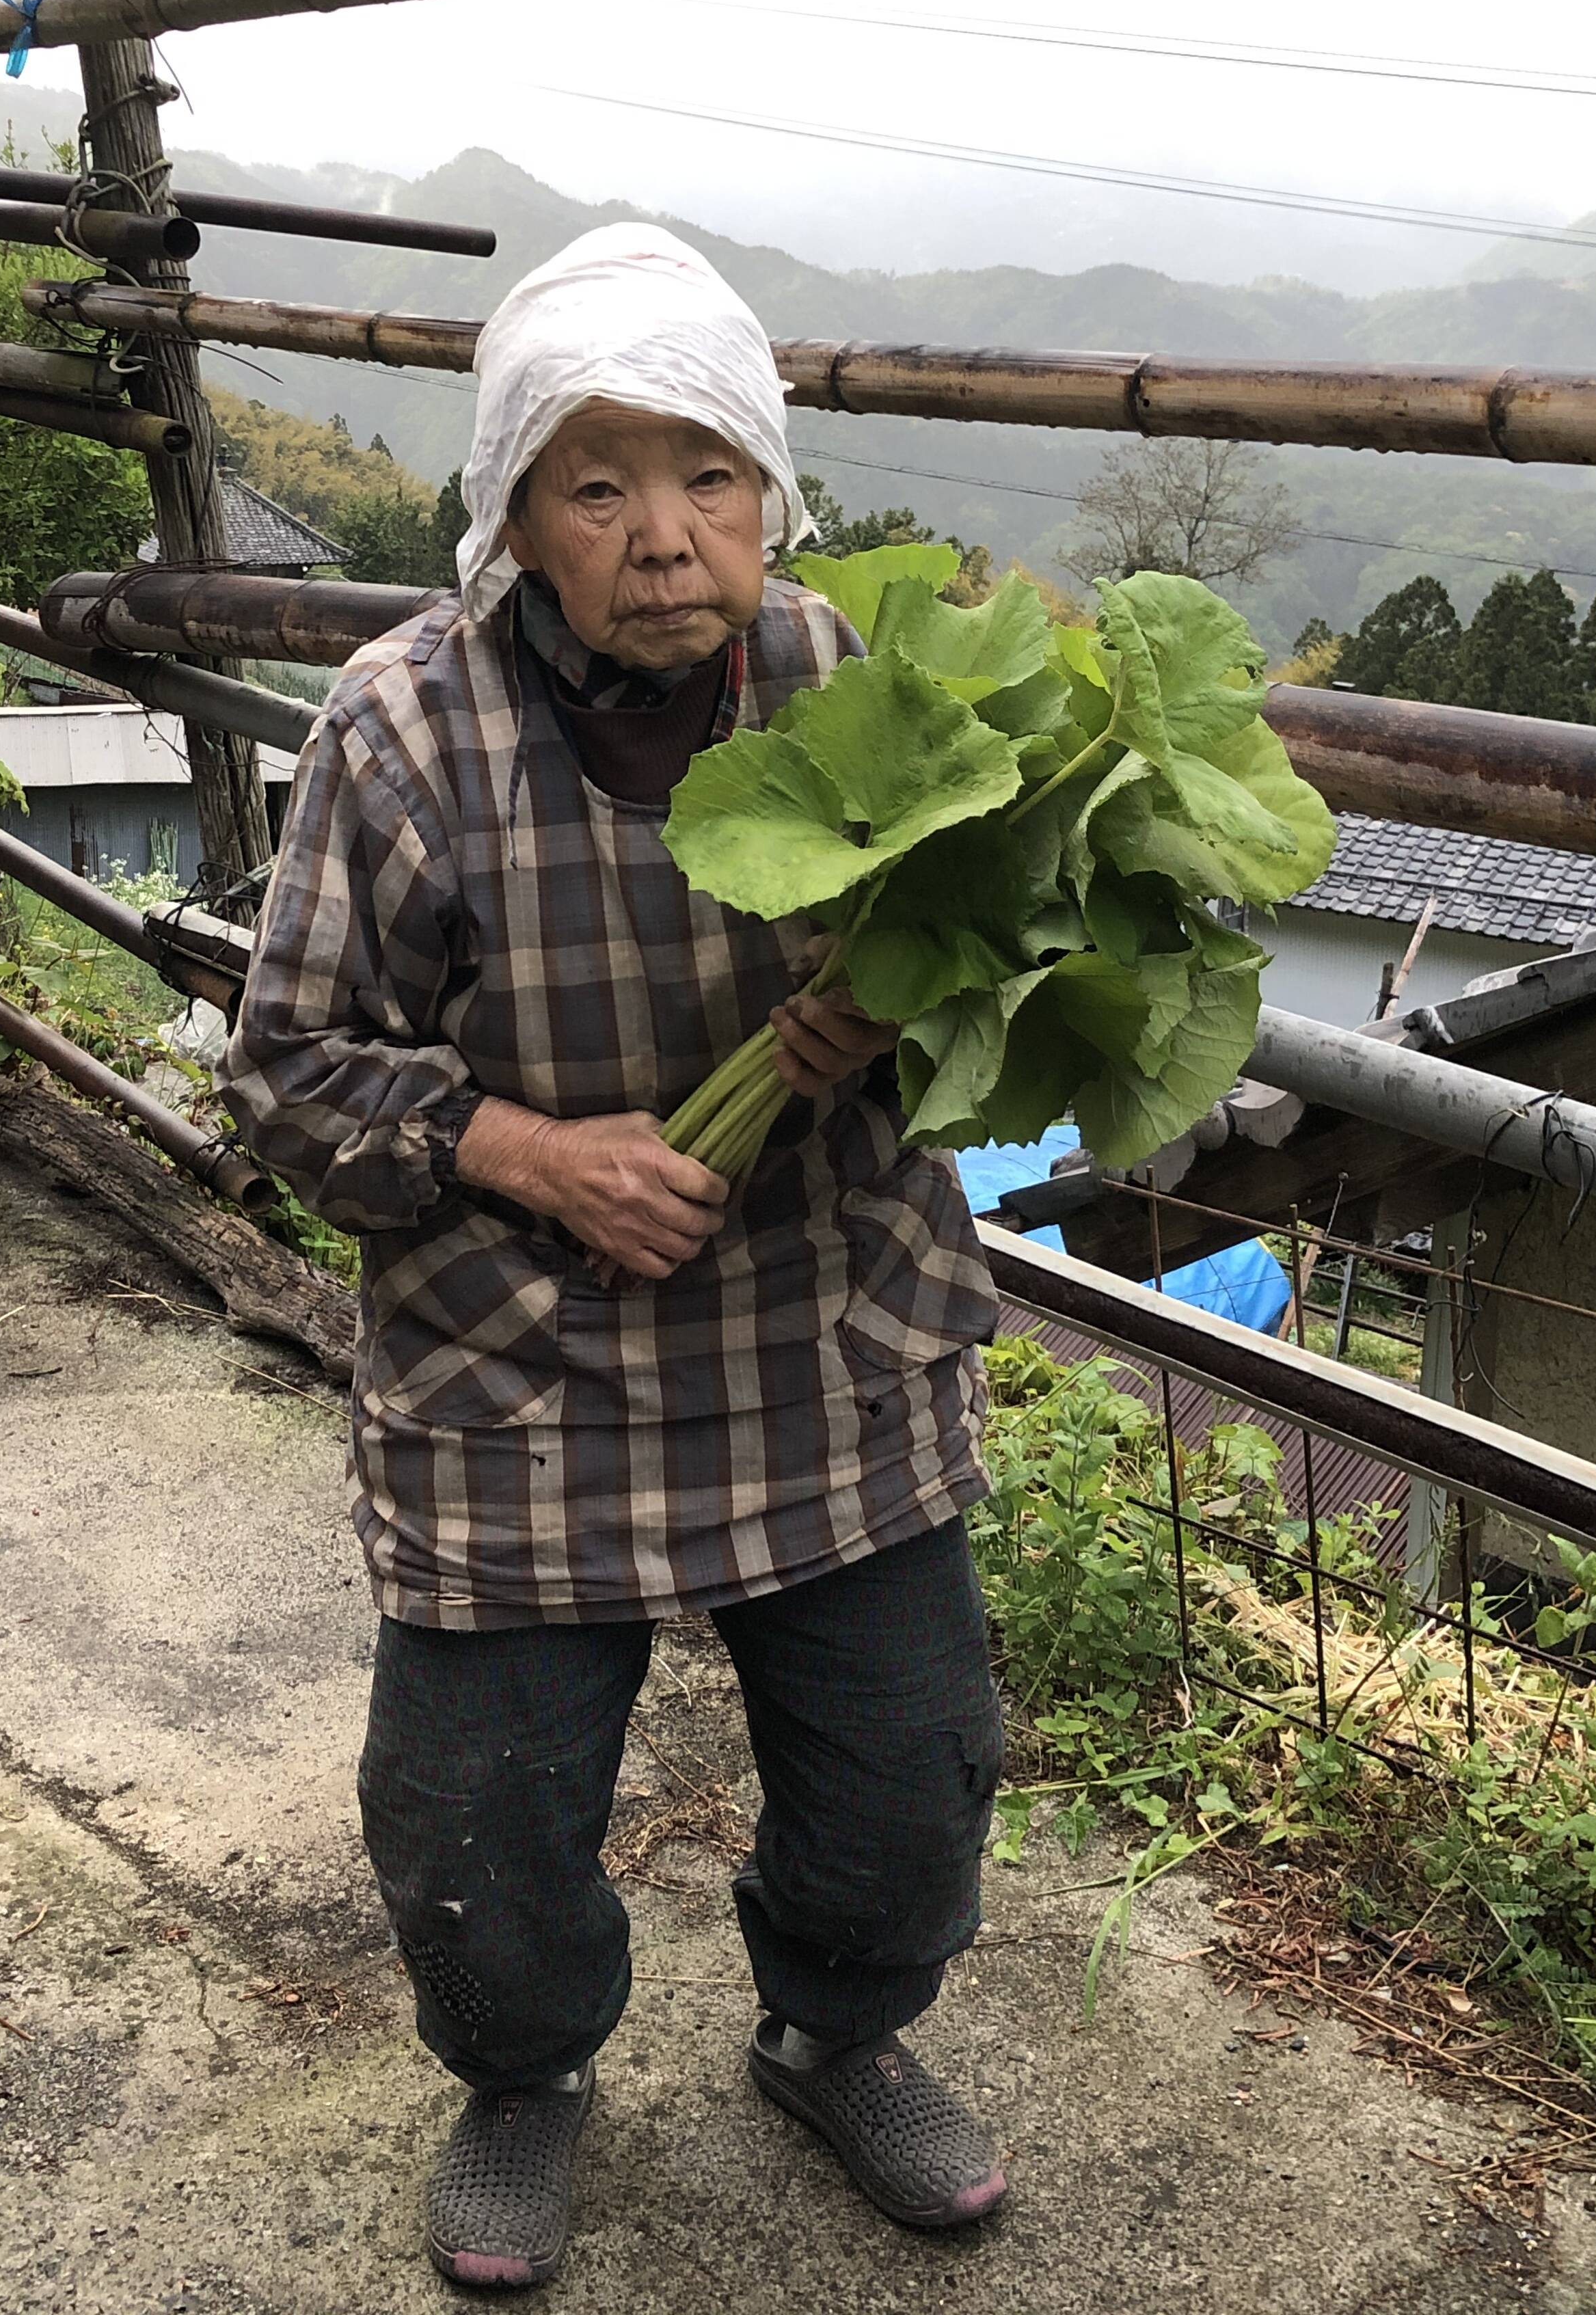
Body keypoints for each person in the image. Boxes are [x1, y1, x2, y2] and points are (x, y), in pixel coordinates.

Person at [219, 225, 1008, 2289]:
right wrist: (530, 1155)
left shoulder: (872, 684)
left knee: (913, 1782)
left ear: (772, 492)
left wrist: (893, 1017)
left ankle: (840, 2034)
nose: (665, 537)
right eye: (599, 485)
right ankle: (525, 2077)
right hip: (520, 1362)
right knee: (472, 1829)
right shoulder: (404, 729)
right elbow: (286, 1073)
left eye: (710, 476)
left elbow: (1003, 998)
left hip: (825, 1340)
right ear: (516, 523)